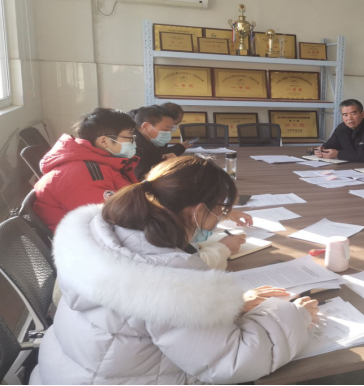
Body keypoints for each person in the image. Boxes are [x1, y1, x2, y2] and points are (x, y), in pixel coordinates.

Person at [35, 156, 319, 384]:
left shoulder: (105, 235)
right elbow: (233, 362)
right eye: (219, 213)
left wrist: (226, 307)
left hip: (65, 372)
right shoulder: (174, 283)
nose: (219, 222)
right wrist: (293, 315)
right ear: (197, 212)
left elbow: (154, 320)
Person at [32, 108, 140, 232]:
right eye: (129, 138)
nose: (133, 143)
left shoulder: (101, 164)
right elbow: (105, 222)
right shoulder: (82, 175)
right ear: (103, 141)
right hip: (84, 240)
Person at [316, 99, 364, 163]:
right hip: (351, 166)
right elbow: (332, 144)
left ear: (362, 114)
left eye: (353, 113)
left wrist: (338, 154)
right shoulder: (342, 127)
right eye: (345, 115)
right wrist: (322, 149)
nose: (349, 118)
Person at [133, 105, 177, 180]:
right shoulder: (133, 148)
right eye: (165, 130)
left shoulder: (150, 142)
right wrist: (171, 166)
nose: (168, 134)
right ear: (146, 127)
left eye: (170, 130)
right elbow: (144, 178)